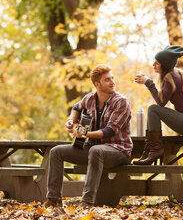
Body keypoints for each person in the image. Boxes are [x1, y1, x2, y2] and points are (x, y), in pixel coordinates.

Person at [44, 64, 133, 207]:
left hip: (118, 151)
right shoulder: (90, 98)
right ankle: (53, 199)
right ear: (97, 84)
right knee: (56, 152)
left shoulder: (121, 102)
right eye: (107, 80)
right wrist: (71, 121)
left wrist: (85, 134)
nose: (112, 82)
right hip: (93, 150)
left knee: (96, 151)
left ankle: (87, 201)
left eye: (112, 78)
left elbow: (110, 131)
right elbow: (76, 107)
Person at [133, 45, 183, 165]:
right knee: (152, 111)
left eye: (157, 63)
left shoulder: (172, 77)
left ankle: (156, 150)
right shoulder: (176, 74)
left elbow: (161, 102)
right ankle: (148, 150)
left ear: (165, 65)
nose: (153, 65)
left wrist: (148, 83)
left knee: (153, 109)